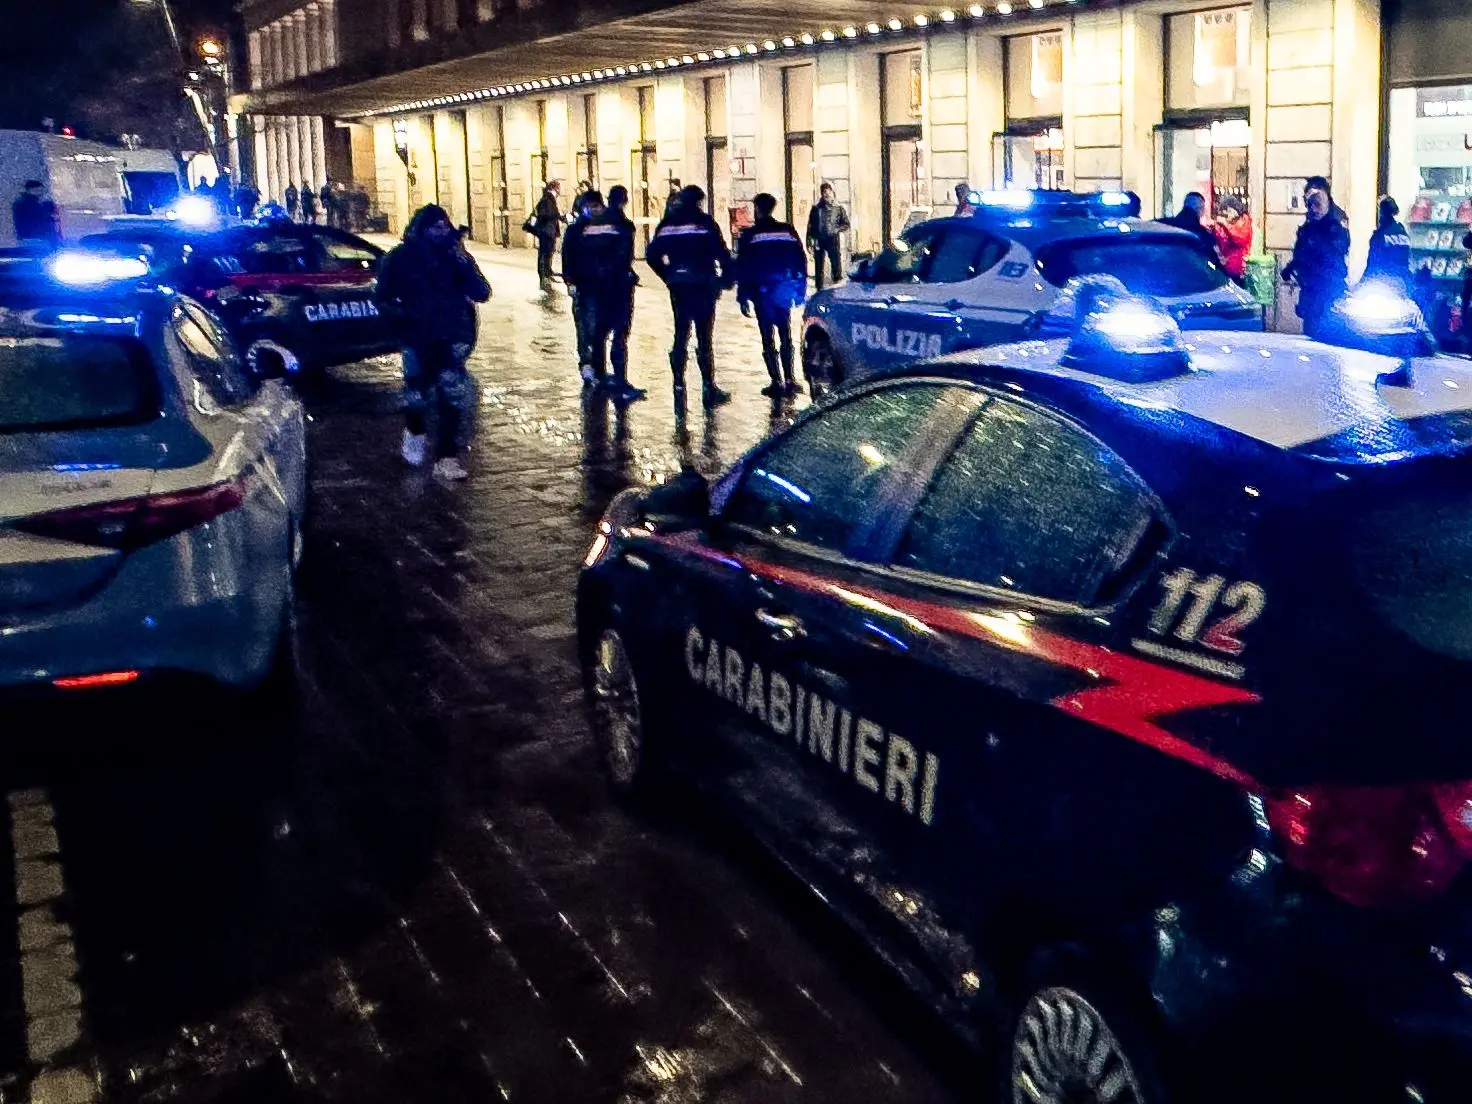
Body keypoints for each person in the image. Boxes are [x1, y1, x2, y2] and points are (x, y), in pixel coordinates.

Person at [375, 204, 492, 481]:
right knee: (417, 396)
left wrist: (463, 262)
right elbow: (383, 297)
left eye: (444, 226)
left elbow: (482, 292)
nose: (442, 231)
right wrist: (402, 316)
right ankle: (414, 434)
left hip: (452, 336)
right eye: (435, 227)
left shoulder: (456, 257)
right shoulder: (401, 258)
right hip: (417, 336)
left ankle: (447, 458)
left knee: (452, 398)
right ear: (422, 228)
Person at [647, 183, 736, 408]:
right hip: (703, 284)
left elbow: (651, 254)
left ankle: (678, 383)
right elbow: (722, 253)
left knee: (681, 333)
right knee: (704, 337)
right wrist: (725, 279)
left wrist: (667, 275)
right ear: (698, 201)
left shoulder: (667, 224)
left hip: (679, 285)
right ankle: (708, 386)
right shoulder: (705, 223)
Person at [562, 189, 645, 403]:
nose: (593, 210)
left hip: (591, 286)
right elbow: (623, 255)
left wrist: (576, 280)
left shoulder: (583, 228)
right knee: (612, 332)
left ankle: (598, 374)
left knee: (596, 332)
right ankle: (611, 379)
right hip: (611, 286)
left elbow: (572, 258)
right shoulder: (618, 224)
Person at [737, 193, 808, 399]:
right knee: (786, 335)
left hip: (763, 292)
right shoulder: (787, 231)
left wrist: (743, 297)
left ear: (757, 209)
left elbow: (744, 267)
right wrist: (800, 289)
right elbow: (799, 260)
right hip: (783, 290)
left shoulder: (750, 235)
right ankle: (790, 379)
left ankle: (776, 380)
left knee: (768, 338)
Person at [1282, 176, 1350, 340]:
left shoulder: (1336, 224)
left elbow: (1333, 253)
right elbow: (1301, 253)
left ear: (1327, 199)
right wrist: (1290, 268)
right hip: (1311, 293)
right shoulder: (1309, 226)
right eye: (1310, 204)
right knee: (1311, 337)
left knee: (1328, 338)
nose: (1313, 208)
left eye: (1317, 203)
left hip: (1329, 295)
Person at [806, 183, 850, 292]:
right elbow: (810, 226)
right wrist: (809, 241)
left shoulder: (838, 209)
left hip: (833, 240)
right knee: (819, 265)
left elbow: (846, 224)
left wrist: (836, 229)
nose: (826, 194)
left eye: (828, 191)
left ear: (832, 193)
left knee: (836, 263)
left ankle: (837, 286)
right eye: (824, 192)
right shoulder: (816, 209)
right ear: (821, 194)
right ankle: (819, 289)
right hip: (819, 240)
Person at [1364, 195, 1412, 289]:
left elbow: (1372, 261)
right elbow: (1407, 257)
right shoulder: (1402, 232)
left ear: (1381, 212)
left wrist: (1363, 282)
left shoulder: (1380, 235)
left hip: (1384, 282)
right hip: (1403, 282)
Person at [1211, 196, 1253, 284]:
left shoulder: (1244, 221)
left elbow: (1241, 239)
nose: (1227, 214)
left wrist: (1225, 225)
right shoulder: (1222, 224)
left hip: (1238, 269)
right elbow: (1215, 241)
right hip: (1222, 268)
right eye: (1224, 212)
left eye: (1229, 211)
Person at [531, 180, 563, 291]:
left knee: (548, 253)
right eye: (558, 188)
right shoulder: (547, 200)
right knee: (545, 254)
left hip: (549, 231)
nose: (559, 191)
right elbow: (545, 214)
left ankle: (547, 274)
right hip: (547, 231)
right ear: (554, 189)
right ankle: (544, 277)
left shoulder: (548, 199)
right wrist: (557, 215)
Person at [11, 180, 58, 246]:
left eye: (41, 190)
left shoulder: (36, 202)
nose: (40, 193)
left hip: (34, 237)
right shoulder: (26, 203)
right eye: (37, 190)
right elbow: (38, 218)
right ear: (29, 190)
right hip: (34, 237)